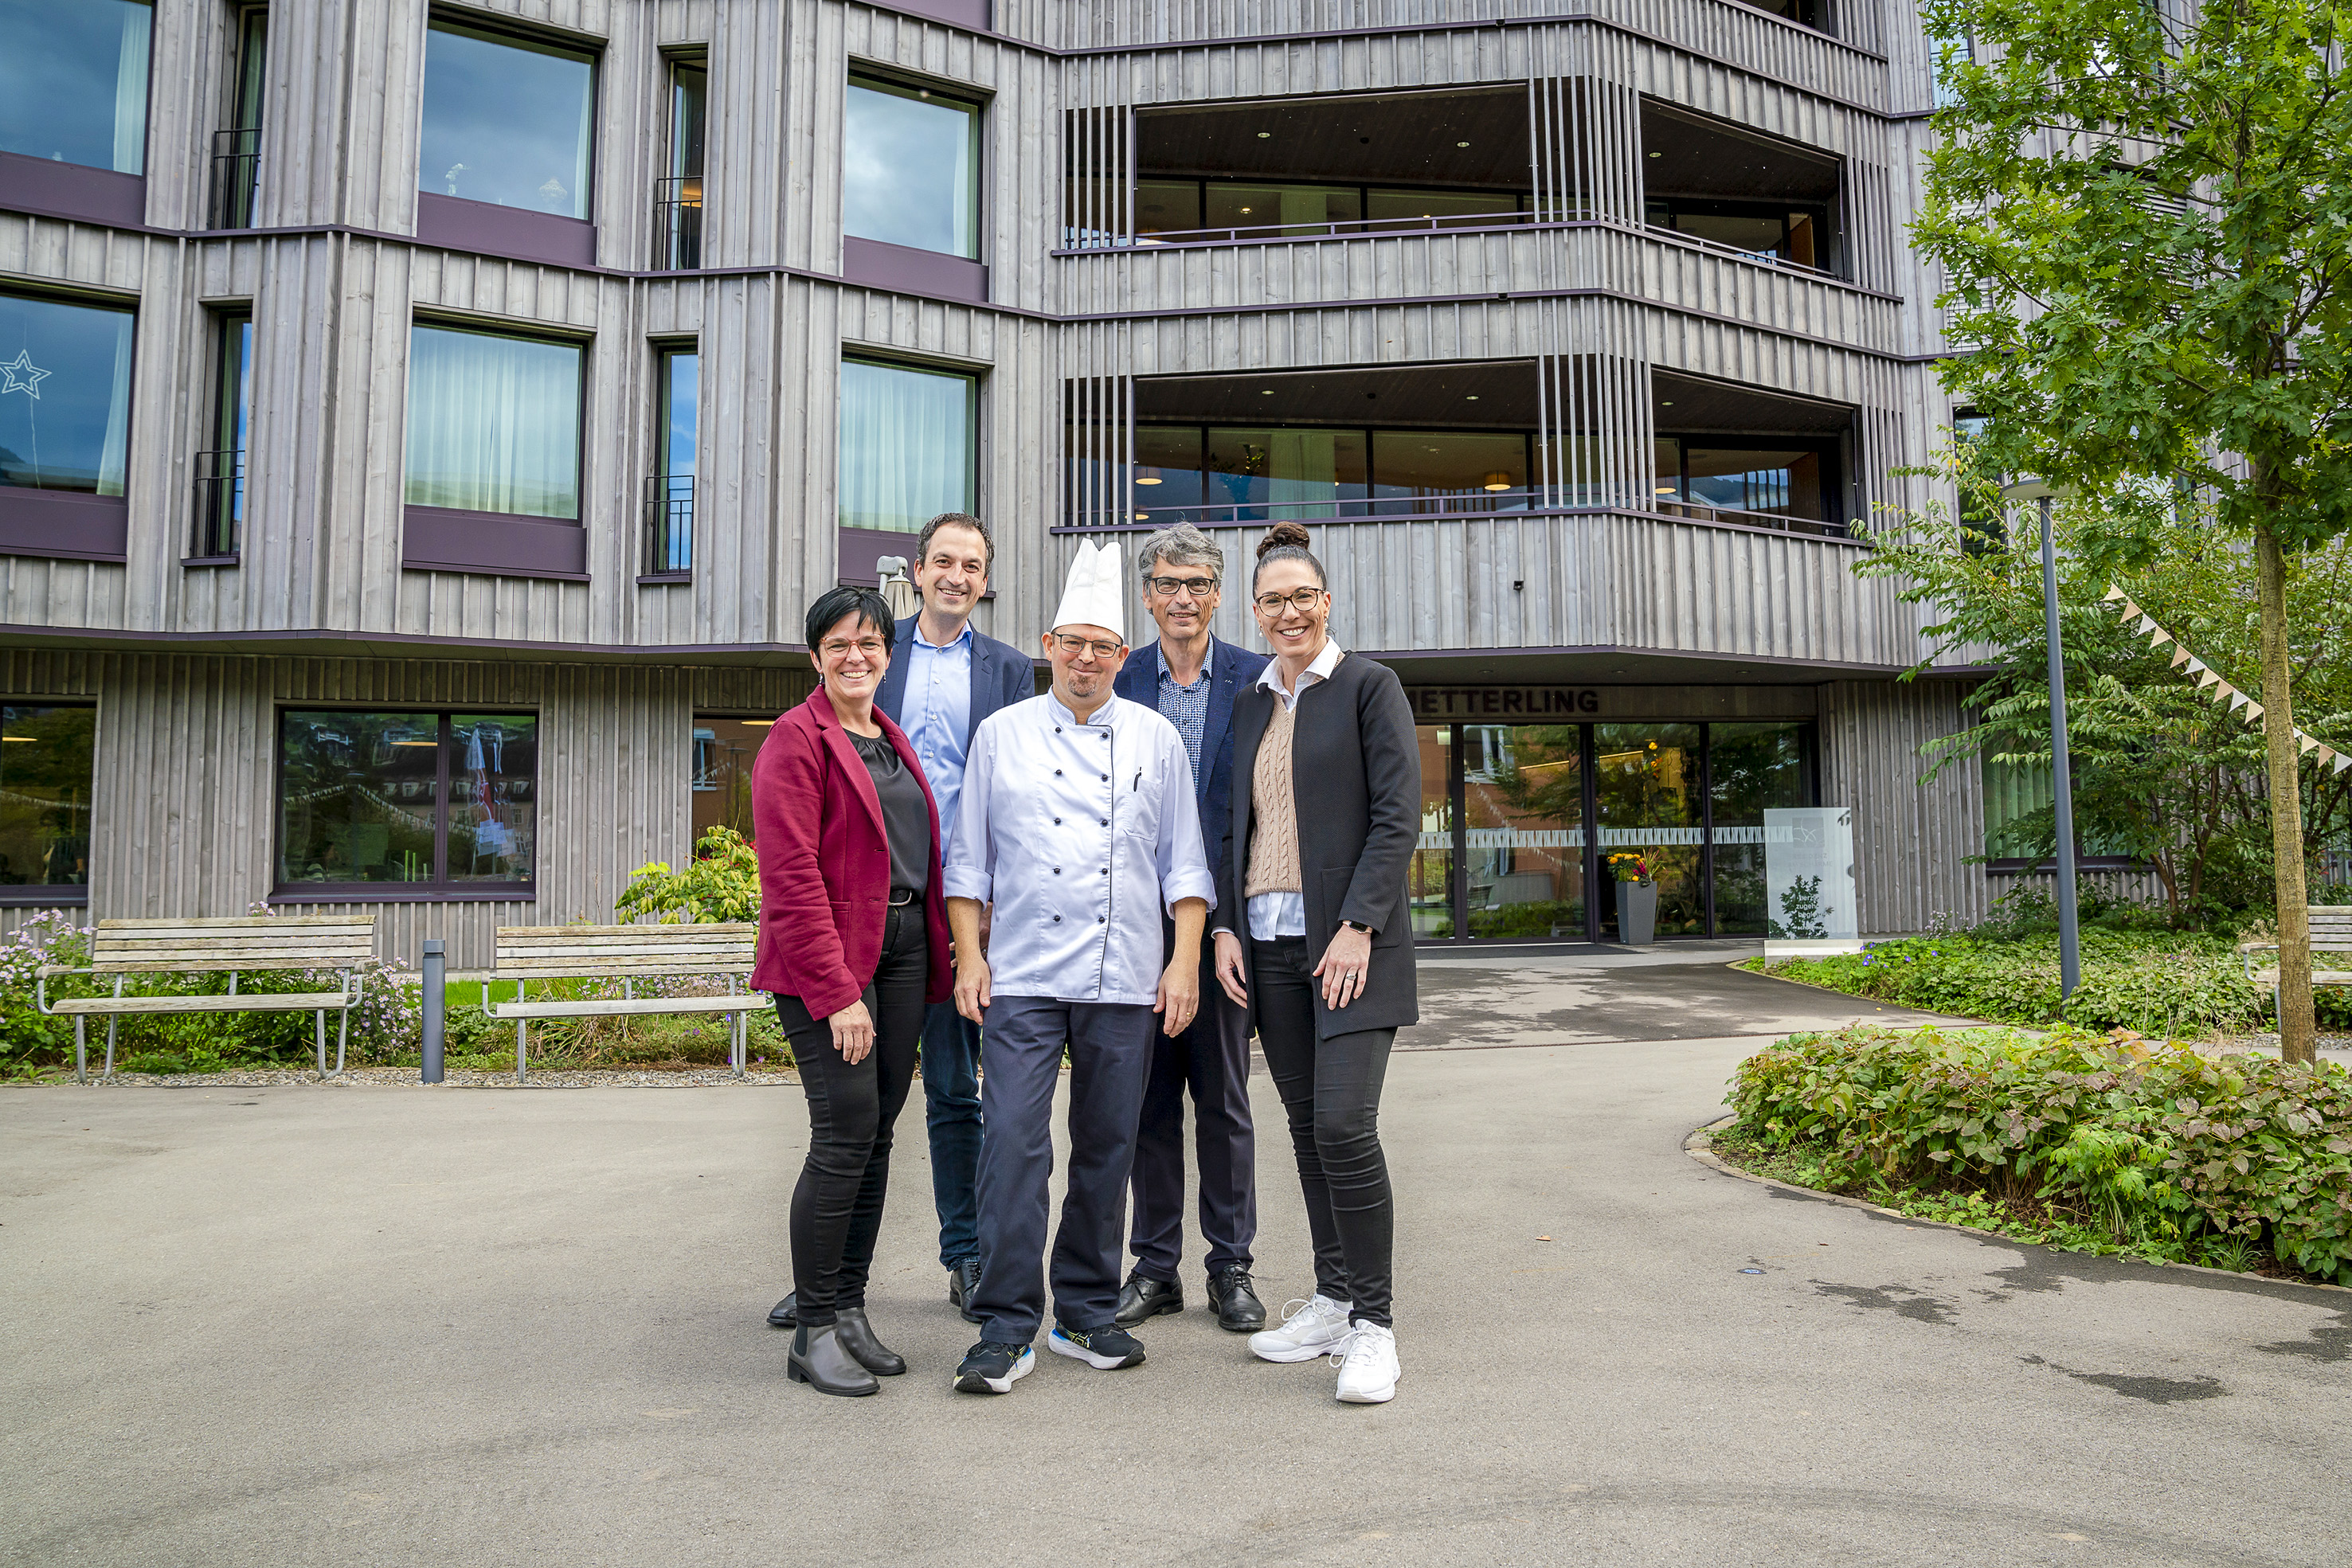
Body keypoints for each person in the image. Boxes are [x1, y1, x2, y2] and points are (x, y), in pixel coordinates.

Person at [943, 538, 1218, 1395]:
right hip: (1020, 972)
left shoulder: (1155, 739)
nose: (1088, 658)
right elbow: (967, 867)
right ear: (1048, 645)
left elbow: (1185, 866)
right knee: (1015, 1146)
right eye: (1073, 643)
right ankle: (1005, 1320)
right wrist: (966, 958)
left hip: (1125, 974)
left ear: (1121, 655)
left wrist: (1183, 965)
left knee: (1108, 1145)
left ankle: (1086, 1309)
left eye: (1103, 645)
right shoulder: (1001, 735)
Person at [769, 513, 1032, 1331]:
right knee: (853, 1122)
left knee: (952, 1095)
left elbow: (1017, 790)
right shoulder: (872, 664)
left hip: (958, 916)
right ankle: (828, 1288)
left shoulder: (1009, 670)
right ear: (915, 572)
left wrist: (991, 906)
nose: (956, 574)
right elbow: (797, 851)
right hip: (864, 919)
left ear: (986, 578)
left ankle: (960, 1257)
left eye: (972, 564)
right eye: (942, 561)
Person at [1215, 522, 1420, 1406]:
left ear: (1326, 602)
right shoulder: (1253, 701)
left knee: (1343, 1124)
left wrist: (1358, 925)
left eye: (1304, 596)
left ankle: (1374, 1326)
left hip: (1350, 948)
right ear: (1255, 612)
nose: (1290, 610)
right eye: (1273, 600)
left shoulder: (1370, 687)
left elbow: (1396, 818)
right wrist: (1225, 926)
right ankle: (1333, 1298)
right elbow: (1236, 827)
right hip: (1267, 943)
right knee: (1304, 1129)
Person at [751, 586, 954, 1398]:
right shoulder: (794, 741)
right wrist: (838, 993)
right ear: (815, 657)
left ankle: (848, 1306)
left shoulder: (886, 738)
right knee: (842, 1135)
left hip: (901, 950)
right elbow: (792, 877)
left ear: (887, 654)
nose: (855, 656)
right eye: (838, 644)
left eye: (869, 643)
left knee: (876, 1135)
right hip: (830, 960)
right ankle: (812, 1327)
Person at [1111, 525, 1270, 1334]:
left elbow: (1264, 811)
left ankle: (1231, 1265)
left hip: (1223, 934)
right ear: (1147, 595)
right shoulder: (1118, 674)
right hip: (1135, 934)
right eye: (1168, 583)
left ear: (1218, 593)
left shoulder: (1255, 679)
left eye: (1198, 583)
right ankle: (1154, 1266)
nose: (1182, 597)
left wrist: (1228, 925)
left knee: (1225, 1102)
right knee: (1147, 1105)